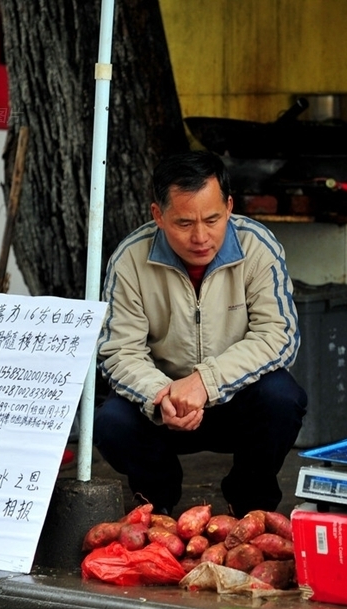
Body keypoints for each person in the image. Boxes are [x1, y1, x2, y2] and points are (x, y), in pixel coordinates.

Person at [93, 150, 307, 517]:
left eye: (213, 219)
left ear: (229, 206)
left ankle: (251, 501)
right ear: (157, 215)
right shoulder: (130, 259)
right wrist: (161, 395)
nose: (201, 237)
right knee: (109, 420)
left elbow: (279, 335)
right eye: (184, 223)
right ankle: (156, 499)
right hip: (162, 408)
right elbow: (118, 350)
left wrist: (205, 382)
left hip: (234, 399)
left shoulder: (258, 247)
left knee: (282, 398)